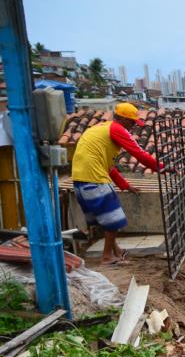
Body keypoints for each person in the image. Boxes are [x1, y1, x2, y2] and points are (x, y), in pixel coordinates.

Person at [70, 102, 165, 265]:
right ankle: (107, 257)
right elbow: (139, 153)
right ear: (123, 119)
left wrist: (125, 185)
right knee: (114, 220)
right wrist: (162, 168)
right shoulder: (116, 129)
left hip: (80, 180)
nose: (134, 126)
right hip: (95, 179)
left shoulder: (100, 129)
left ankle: (116, 251)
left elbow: (108, 166)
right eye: (132, 122)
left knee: (104, 220)